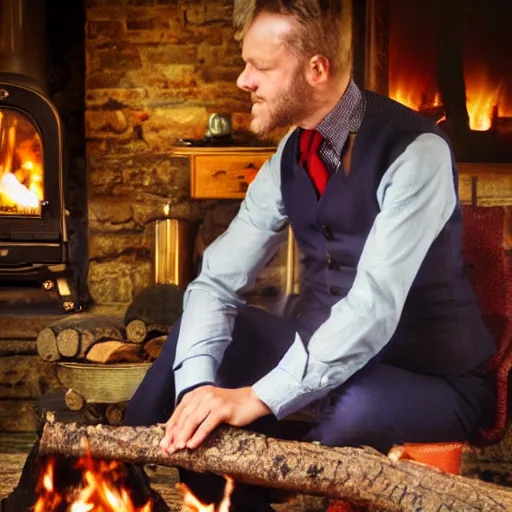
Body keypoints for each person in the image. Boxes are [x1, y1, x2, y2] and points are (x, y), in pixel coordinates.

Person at [125, 0, 496, 508]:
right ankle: (120, 474)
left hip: (433, 376)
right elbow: (216, 281)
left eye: (260, 66)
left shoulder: (418, 153)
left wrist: (254, 397)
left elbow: (371, 310)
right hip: (323, 352)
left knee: (348, 411)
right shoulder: (289, 156)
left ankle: (239, 478)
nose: (243, 80)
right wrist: (197, 388)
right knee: (193, 356)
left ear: (316, 69)